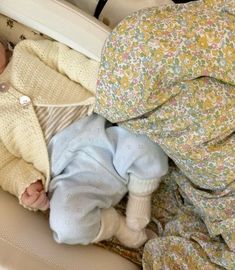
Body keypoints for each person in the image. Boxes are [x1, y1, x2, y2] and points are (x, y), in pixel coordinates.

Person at [0, 38, 168, 248]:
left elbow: (67, 61)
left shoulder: (26, 51)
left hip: (102, 133)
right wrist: (26, 183)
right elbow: (5, 165)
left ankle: (140, 197)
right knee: (65, 224)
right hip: (67, 175)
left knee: (145, 140)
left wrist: (102, 84)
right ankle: (117, 226)